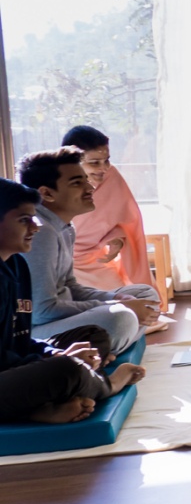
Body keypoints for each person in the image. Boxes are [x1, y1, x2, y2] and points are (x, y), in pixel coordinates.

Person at [0, 179, 143, 424]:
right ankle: (106, 385)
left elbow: (18, 340)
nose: (35, 227)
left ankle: (42, 405)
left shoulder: (16, 264)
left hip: (13, 367)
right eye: (24, 220)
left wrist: (53, 352)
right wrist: (54, 361)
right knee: (67, 370)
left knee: (93, 335)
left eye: (34, 218)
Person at [19, 148, 163, 359]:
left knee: (145, 295)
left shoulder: (64, 226)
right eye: (77, 183)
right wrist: (116, 305)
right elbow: (42, 311)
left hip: (60, 318)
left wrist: (115, 298)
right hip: (35, 334)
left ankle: (99, 350)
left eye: (86, 180)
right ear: (47, 194)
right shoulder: (40, 232)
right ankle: (94, 352)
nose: (90, 187)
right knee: (120, 319)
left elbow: (71, 287)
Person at [62, 126, 152, 291]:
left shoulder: (111, 177)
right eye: (94, 163)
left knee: (130, 299)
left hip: (94, 260)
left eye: (106, 160)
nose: (103, 168)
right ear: (72, 160)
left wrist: (116, 238)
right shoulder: (53, 183)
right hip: (59, 264)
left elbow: (125, 220)